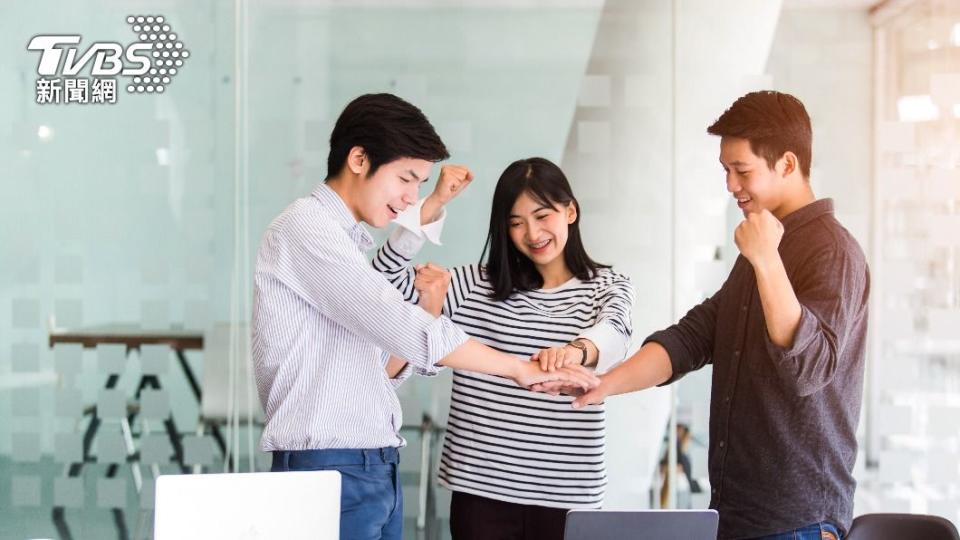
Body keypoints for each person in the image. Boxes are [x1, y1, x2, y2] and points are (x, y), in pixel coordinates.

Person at [251, 94, 598, 540]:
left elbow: (379, 361)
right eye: (406, 179)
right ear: (359, 159)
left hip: (372, 467)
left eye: (420, 184)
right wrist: (519, 369)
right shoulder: (305, 229)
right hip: (328, 468)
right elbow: (393, 317)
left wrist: (433, 205)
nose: (409, 197)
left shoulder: (345, 241)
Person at [539, 91, 869, 540]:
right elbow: (695, 337)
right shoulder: (763, 245)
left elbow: (808, 367)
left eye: (742, 170)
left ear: (788, 164)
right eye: (726, 171)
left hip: (797, 523)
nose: (731, 185)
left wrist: (767, 260)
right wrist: (603, 384)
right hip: (735, 517)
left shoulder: (832, 250)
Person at [373, 157, 635, 540]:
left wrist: (576, 351)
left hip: (569, 495)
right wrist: (433, 203)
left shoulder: (607, 286)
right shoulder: (470, 286)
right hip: (480, 493)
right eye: (516, 223)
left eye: (543, 216)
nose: (532, 233)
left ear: (571, 211)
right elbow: (380, 283)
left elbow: (615, 333)